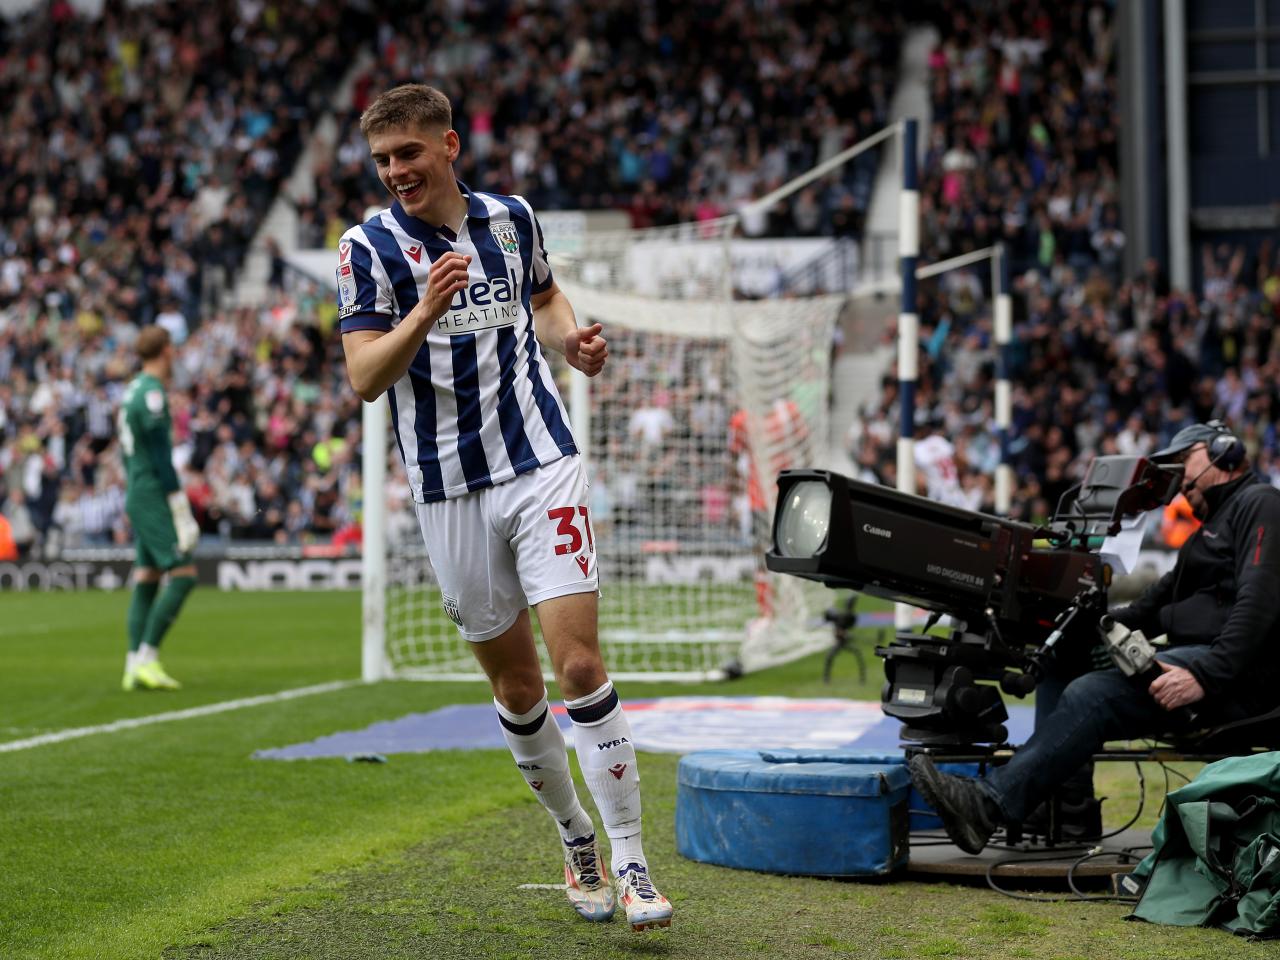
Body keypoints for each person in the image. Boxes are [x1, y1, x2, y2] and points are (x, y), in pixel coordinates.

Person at [336, 84, 673, 931]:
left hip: (541, 465)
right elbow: (366, 378)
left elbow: (547, 297)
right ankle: (576, 842)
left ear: (449, 145)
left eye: (408, 154)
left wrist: (573, 341)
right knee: (519, 686)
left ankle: (631, 860)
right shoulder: (367, 248)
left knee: (581, 667)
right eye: (382, 161)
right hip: (447, 490)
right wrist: (425, 309)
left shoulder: (512, 219)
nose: (396, 173)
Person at [910, 421, 1280, 853]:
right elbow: (1152, 607)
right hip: (1202, 662)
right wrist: (1081, 625)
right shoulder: (1212, 527)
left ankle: (987, 806)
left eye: (1184, 462)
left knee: (1093, 694)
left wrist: (1206, 675)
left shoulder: (1261, 503)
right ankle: (1065, 811)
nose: (1177, 480)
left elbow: (1260, 603)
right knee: (1063, 658)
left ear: (1224, 452)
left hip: (1237, 681)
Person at [118, 326, 200, 692]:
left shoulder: (133, 388)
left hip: (138, 487)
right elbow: (159, 455)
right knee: (183, 574)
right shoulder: (150, 394)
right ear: (166, 350)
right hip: (152, 490)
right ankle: (147, 657)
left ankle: (133, 664)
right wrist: (177, 501)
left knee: (148, 576)